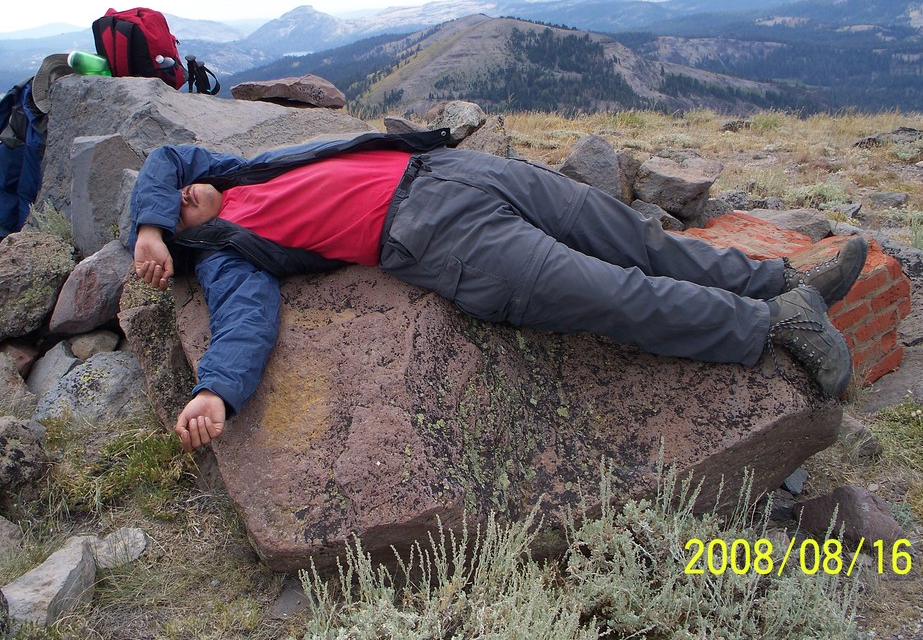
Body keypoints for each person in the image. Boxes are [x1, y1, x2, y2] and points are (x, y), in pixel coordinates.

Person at [130, 129, 867, 452]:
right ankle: (774, 324)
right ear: (193, 247)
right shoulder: (231, 256)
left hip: (453, 170)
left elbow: (165, 157)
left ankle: (781, 280)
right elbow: (244, 323)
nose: (183, 198)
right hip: (443, 237)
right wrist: (216, 392)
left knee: (633, 236)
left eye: (173, 201)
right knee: (608, 291)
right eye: (179, 215)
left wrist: (150, 227)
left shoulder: (232, 172)